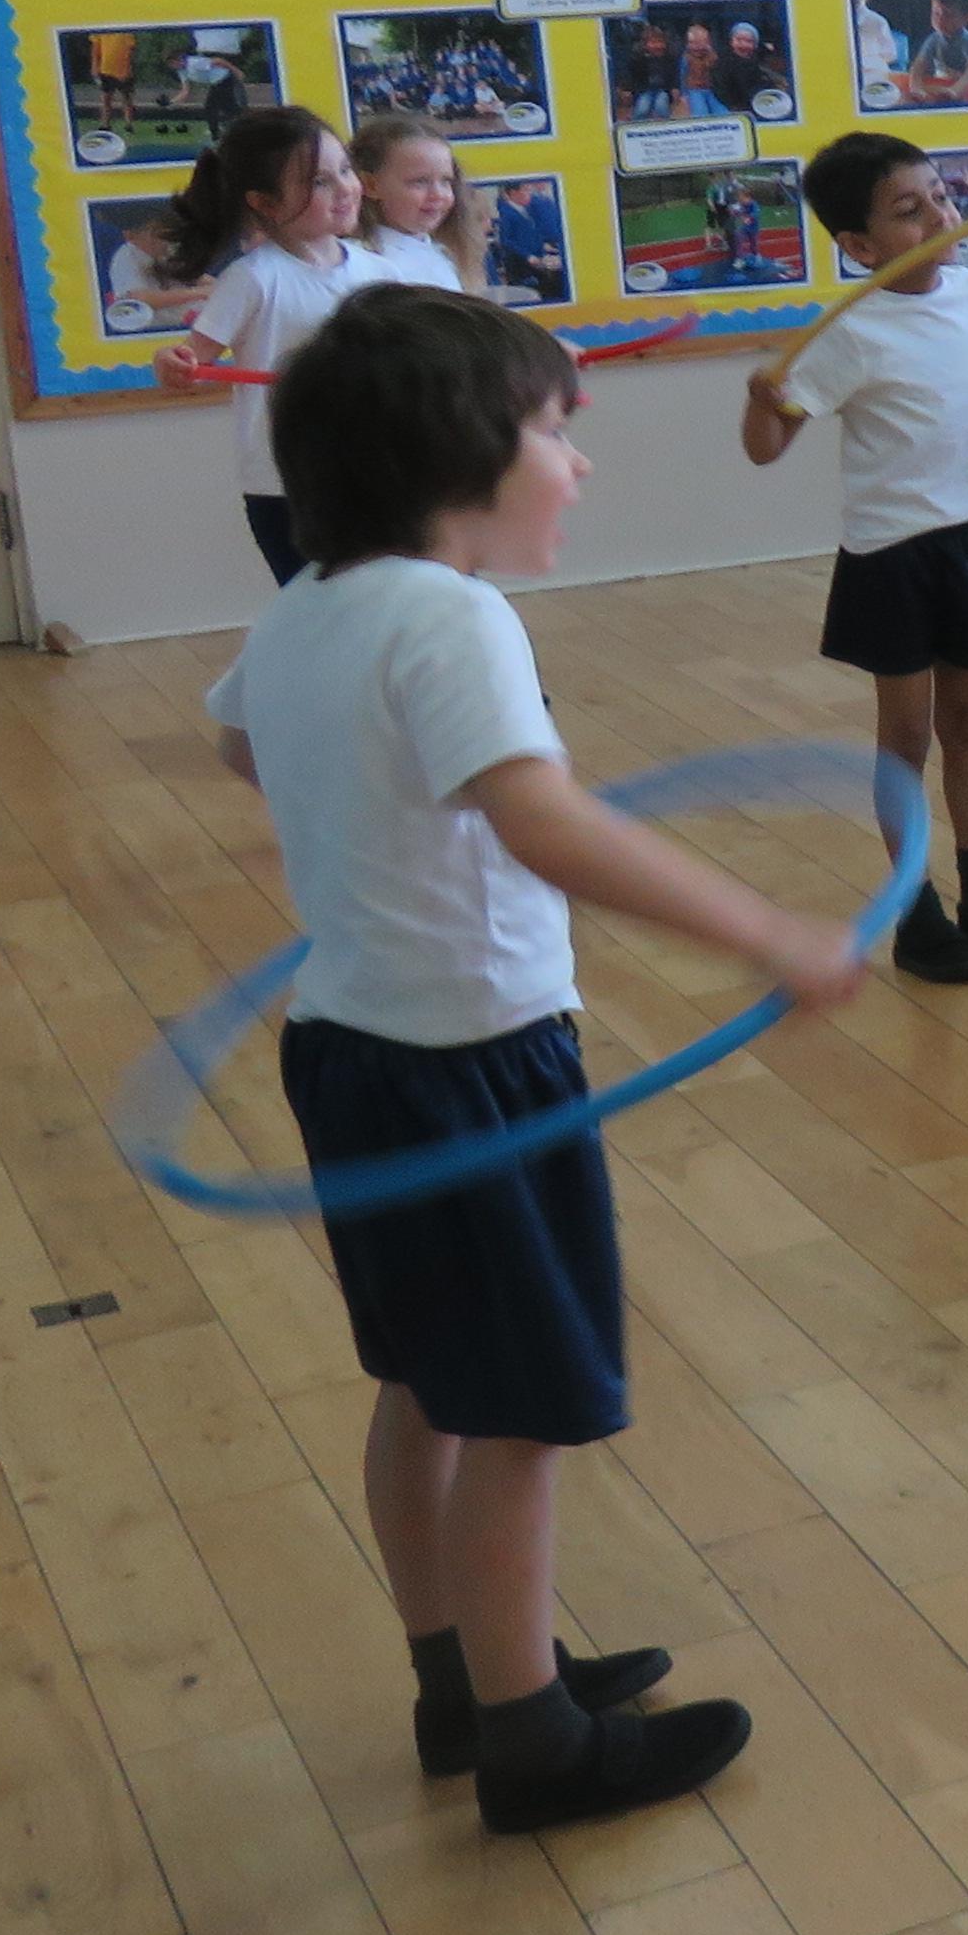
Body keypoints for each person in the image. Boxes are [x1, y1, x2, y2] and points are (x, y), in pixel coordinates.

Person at [206, 286, 867, 1830]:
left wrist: (363, 804)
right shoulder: (453, 617)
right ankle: (533, 1742)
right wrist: (769, 932)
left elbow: (241, 742)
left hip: (350, 1049)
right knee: (521, 1409)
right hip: (475, 1068)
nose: (581, 464)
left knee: (425, 1382)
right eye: (557, 433)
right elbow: (547, 825)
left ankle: (459, 1677)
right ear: (463, 454)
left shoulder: (305, 606)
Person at [747, 136, 968, 988]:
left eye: (941, 196)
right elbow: (767, 446)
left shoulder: (966, 291)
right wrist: (759, 402)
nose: (941, 215)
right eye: (909, 210)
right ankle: (915, 912)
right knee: (908, 739)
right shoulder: (848, 333)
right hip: (894, 554)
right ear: (859, 245)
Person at [151, 104, 369, 585]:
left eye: (345, 169)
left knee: (382, 602)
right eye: (319, 182)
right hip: (287, 485)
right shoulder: (253, 278)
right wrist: (172, 363)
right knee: (321, 607)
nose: (345, 188)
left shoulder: (379, 270)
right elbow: (190, 360)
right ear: (266, 204)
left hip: (373, 474)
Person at [352, 112, 474, 296]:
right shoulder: (368, 265)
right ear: (371, 185)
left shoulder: (441, 254)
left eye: (446, 181)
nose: (438, 195)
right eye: (419, 182)